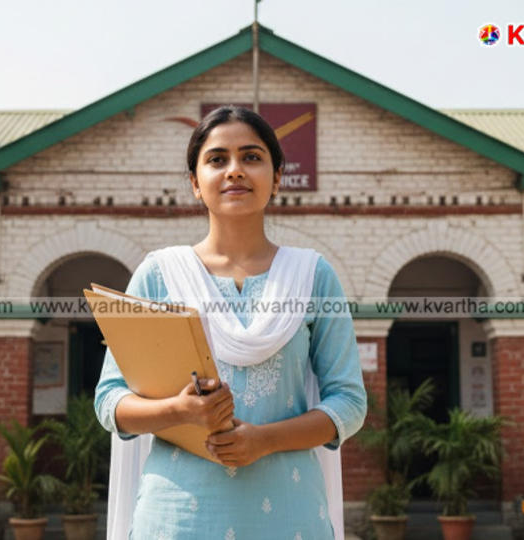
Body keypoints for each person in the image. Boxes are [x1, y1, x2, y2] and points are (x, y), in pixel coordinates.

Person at [95, 105, 367, 540]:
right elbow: (110, 401)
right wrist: (178, 411)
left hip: (290, 515)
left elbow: (349, 403)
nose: (235, 170)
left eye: (252, 157)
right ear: (195, 182)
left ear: (277, 178)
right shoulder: (159, 274)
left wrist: (266, 440)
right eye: (218, 159)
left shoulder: (312, 275)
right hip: (177, 519)